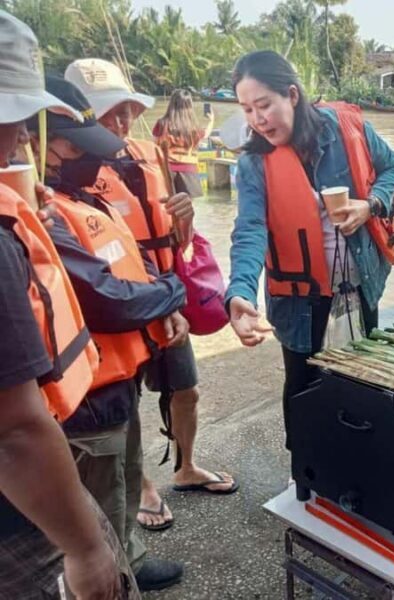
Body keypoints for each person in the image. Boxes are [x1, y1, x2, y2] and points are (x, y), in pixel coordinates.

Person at [65, 58, 238, 534]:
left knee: (187, 388)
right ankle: (142, 488)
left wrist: (183, 221)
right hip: (119, 308)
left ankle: (186, 466)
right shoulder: (72, 177)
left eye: (126, 110)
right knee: (126, 405)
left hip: (165, 296)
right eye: (108, 113)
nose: (120, 122)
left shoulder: (150, 153)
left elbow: (179, 242)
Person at [28, 76, 188, 592]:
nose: (95, 161)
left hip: (121, 377)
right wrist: (173, 295)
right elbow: (110, 300)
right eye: (78, 147)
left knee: (123, 478)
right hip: (86, 399)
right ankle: (114, 580)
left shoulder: (83, 200)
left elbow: (136, 268)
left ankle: (131, 559)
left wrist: (165, 292)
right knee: (95, 503)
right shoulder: (44, 216)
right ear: (38, 144)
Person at [0, 11, 138, 598]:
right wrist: (83, 548)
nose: (23, 137)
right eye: (15, 118)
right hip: (20, 517)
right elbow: (14, 432)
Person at [226, 50, 394, 450]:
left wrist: (370, 204)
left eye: (264, 105)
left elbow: (393, 166)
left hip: (360, 282)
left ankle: (356, 454)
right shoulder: (255, 162)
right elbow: (250, 230)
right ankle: (306, 470)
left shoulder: (346, 127)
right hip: (300, 297)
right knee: (303, 385)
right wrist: (239, 293)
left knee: (361, 375)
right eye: (247, 109)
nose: (257, 119)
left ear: (291, 94)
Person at [152, 88, 214, 198]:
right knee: (186, 209)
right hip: (189, 171)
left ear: (171, 104)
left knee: (169, 208)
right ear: (190, 106)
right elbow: (205, 134)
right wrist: (211, 121)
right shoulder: (194, 127)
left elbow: (154, 145)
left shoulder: (162, 123)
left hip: (167, 171)